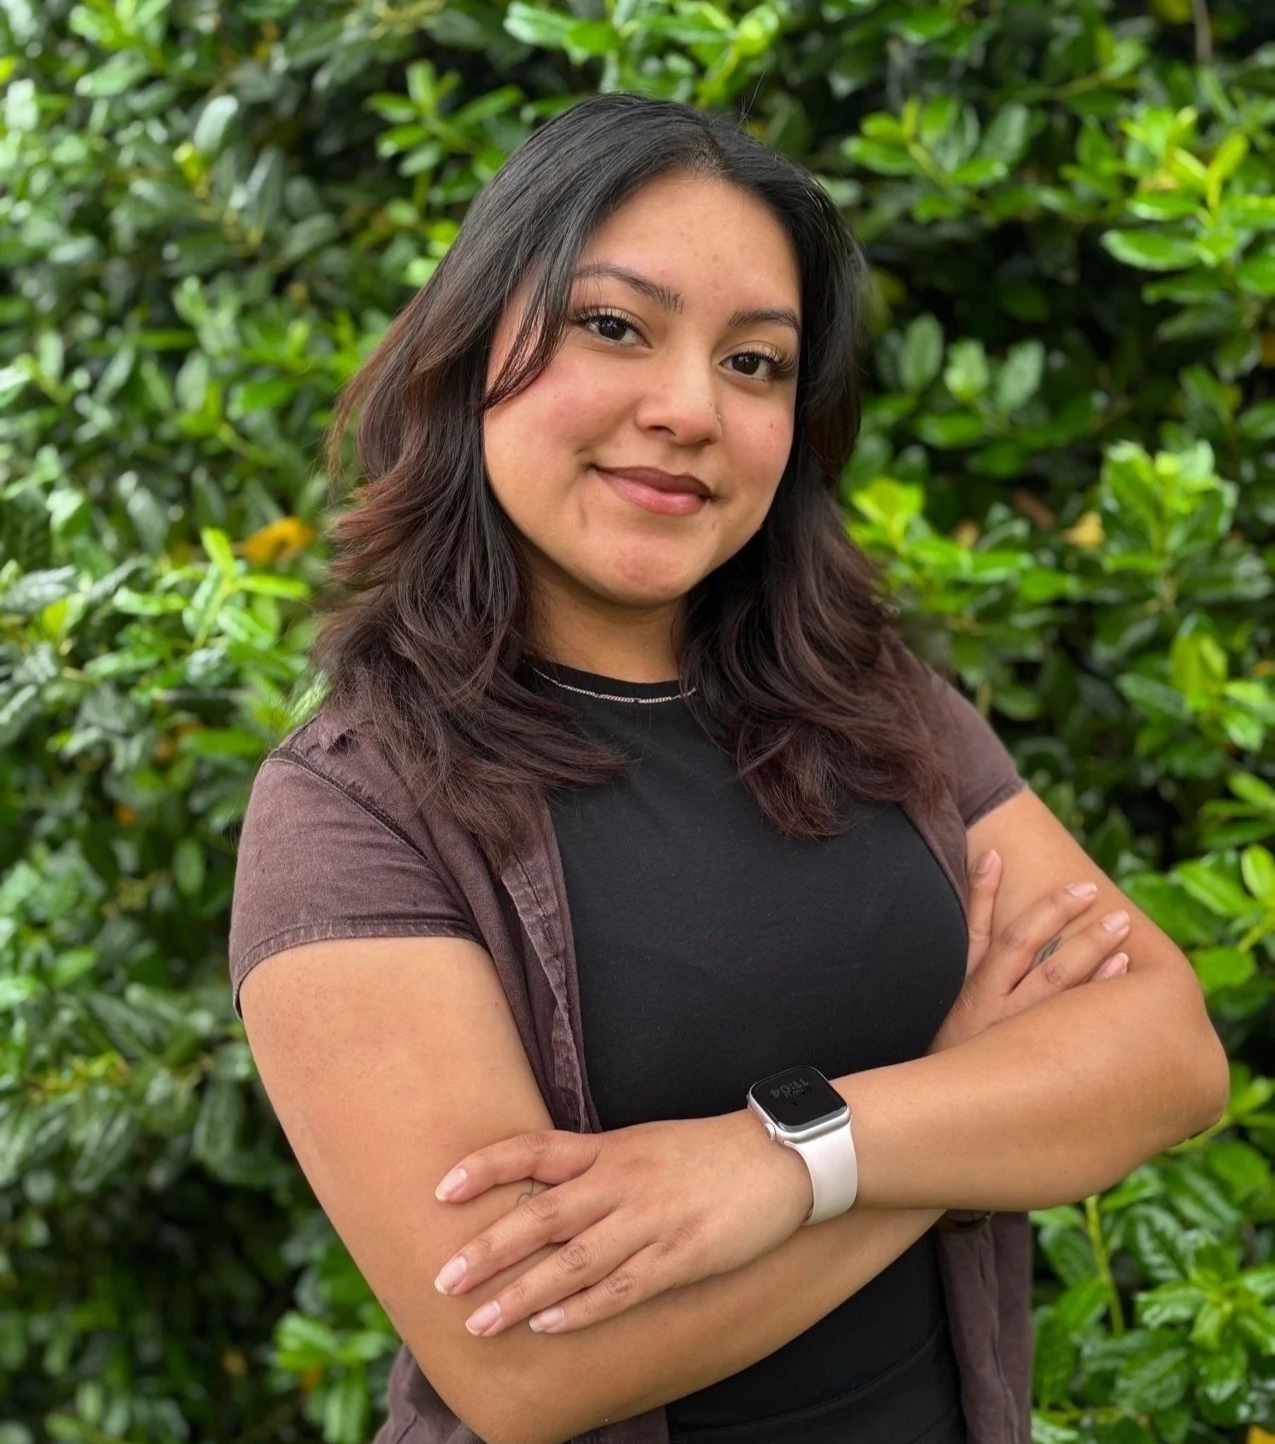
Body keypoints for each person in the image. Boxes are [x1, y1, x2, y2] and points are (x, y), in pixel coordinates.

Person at [227, 93, 1229, 1444]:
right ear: (472, 351)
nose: (689, 409)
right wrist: (963, 1113)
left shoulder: (869, 698)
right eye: (612, 326)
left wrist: (778, 1161)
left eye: (755, 364)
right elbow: (527, 1368)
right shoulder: (350, 809)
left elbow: (1164, 1056)